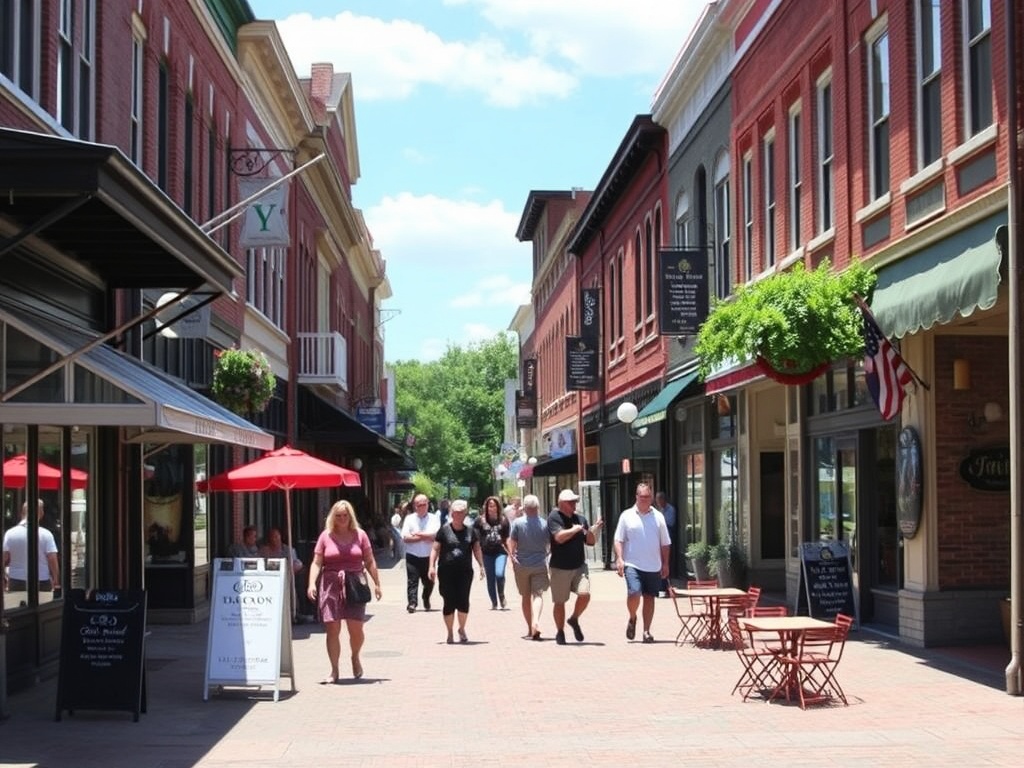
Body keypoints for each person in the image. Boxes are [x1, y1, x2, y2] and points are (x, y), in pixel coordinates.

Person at [306, 499, 382, 683]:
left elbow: (369, 560)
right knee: (332, 627)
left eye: (345, 515)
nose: (341, 519)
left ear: (350, 516)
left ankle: (355, 656)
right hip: (331, 584)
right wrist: (312, 583)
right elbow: (317, 562)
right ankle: (334, 670)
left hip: (355, 583)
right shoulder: (326, 536)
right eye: (338, 515)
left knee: (356, 628)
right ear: (333, 516)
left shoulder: (360, 535)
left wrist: (377, 583)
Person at [614, 482, 671, 644]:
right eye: (642, 497)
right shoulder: (626, 515)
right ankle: (632, 617)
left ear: (651, 497)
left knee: (649, 598)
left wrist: (666, 563)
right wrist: (619, 558)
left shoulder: (658, 517)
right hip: (632, 564)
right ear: (636, 497)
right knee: (634, 592)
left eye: (648, 497)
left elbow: (665, 543)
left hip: (653, 565)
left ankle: (646, 631)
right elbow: (618, 539)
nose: (645, 499)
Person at [547, 488, 603, 645]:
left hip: (579, 566)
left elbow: (590, 542)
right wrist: (575, 529)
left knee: (585, 594)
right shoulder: (554, 517)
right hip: (559, 567)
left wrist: (594, 530)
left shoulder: (581, 519)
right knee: (560, 602)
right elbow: (558, 537)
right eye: (571, 502)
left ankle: (574, 619)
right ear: (562, 504)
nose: (574, 504)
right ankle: (560, 631)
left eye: (575, 501)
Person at [428, 499, 484, 644]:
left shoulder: (471, 531)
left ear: (465, 514)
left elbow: (476, 549)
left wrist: (481, 565)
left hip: (465, 572)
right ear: (451, 514)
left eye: (461, 513)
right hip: (446, 572)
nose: (458, 515)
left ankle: (462, 628)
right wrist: (431, 566)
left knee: (463, 601)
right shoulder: (444, 530)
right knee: (449, 602)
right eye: (456, 513)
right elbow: (435, 549)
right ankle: (449, 632)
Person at [507, 493, 550, 640]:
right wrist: (546, 554)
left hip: (522, 564)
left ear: (524, 508)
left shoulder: (518, 523)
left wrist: (512, 557)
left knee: (525, 596)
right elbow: (550, 544)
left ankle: (530, 628)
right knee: (538, 595)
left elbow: (512, 542)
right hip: (539, 563)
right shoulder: (544, 524)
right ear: (537, 507)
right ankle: (536, 621)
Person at [3, 499, 60, 594]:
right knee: (43, 607)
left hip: (16, 580)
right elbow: (52, 559)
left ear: (22, 512)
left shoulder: (10, 533)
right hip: (41, 579)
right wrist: (56, 579)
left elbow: (4, 557)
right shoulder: (46, 534)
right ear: (41, 513)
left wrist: (3, 576)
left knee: (17, 607)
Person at [401, 493, 440, 612]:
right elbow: (405, 538)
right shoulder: (409, 518)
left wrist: (417, 535)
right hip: (413, 555)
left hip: (429, 557)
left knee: (429, 581)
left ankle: (426, 597)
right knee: (412, 581)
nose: (422, 507)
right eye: (419, 505)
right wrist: (424, 536)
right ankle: (412, 603)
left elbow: (436, 536)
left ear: (428, 504)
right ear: (415, 506)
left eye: (424, 504)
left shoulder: (434, 518)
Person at [474, 495, 510, 609]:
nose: (491, 508)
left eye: (494, 506)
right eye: (489, 506)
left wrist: (511, 552)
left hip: (500, 552)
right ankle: (494, 602)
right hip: (486, 553)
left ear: (498, 507)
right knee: (490, 578)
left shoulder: (504, 520)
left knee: (499, 574)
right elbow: (475, 538)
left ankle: (501, 595)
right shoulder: (480, 520)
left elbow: (507, 537)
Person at [656, 491, 677, 595]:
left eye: (659, 500)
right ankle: (661, 587)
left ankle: (666, 587)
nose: (658, 502)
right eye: (657, 500)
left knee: (666, 563)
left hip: (667, 541)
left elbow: (670, 523)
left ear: (663, 500)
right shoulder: (659, 510)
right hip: (658, 542)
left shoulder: (670, 510)